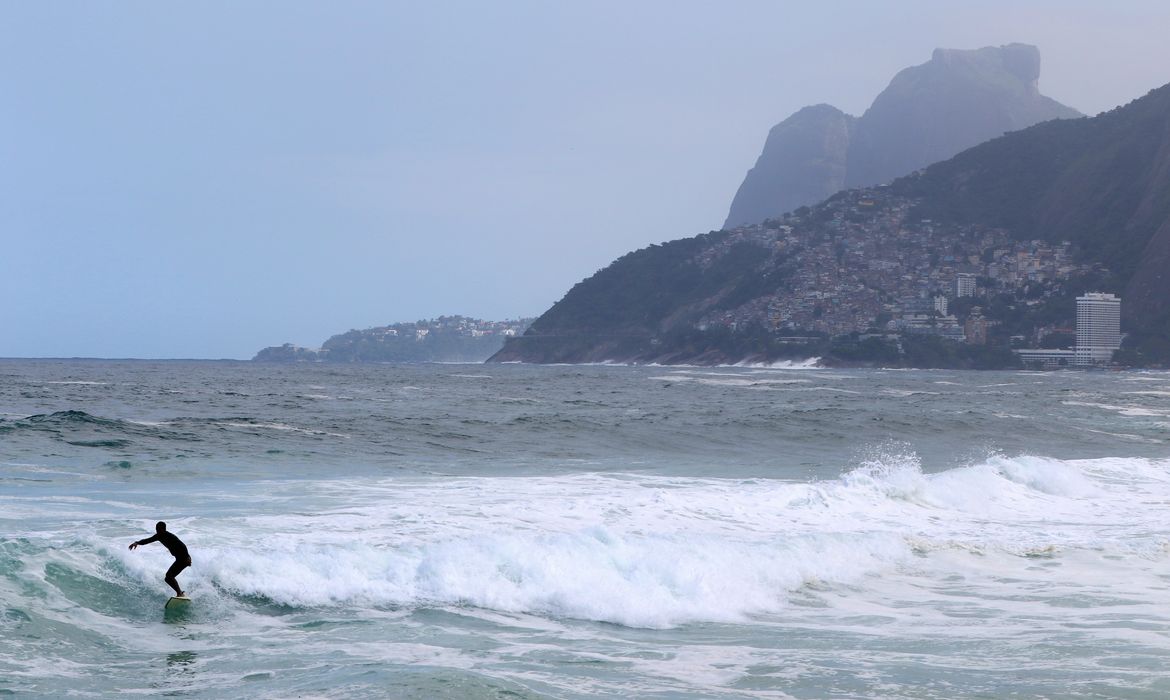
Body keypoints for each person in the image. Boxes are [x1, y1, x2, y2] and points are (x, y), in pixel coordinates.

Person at [129, 521, 191, 597]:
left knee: (169, 576)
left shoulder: (170, 536)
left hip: (183, 558)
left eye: (159, 530)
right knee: (168, 578)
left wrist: (187, 557)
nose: (157, 531)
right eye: (156, 529)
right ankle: (180, 593)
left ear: (164, 529)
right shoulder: (159, 536)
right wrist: (137, 543)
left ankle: (180, 593)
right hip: (179, 559)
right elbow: (147, 540)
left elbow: (182, 546)